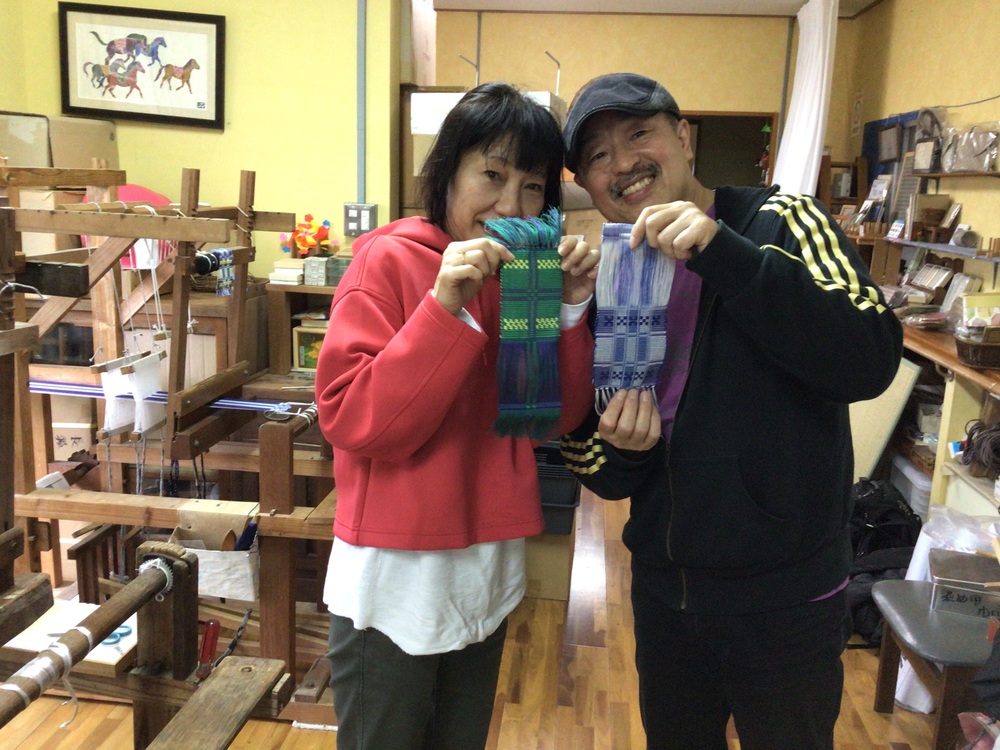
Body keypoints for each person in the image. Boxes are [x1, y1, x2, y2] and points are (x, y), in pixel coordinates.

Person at [558, 72, 903, 750]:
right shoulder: (615, 281)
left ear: (683, 139)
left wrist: (723, 254)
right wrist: (623, 448)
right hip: (667, 596)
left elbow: (870, 356)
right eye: (598, 155)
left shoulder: (782, 221)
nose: (622, 163)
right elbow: (602, 471)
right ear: (588, 186)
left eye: (639, 134)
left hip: (787, 600)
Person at [314, 82, 599, 750]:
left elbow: (548, 419)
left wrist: (570, 308)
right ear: (447, 174)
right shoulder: (387, 260)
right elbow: (355, 421)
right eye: (492, 176)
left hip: (486, 566)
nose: (511, 205)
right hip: (394, 576)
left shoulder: (523, 274)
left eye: (532, 187)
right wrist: (443, 307)